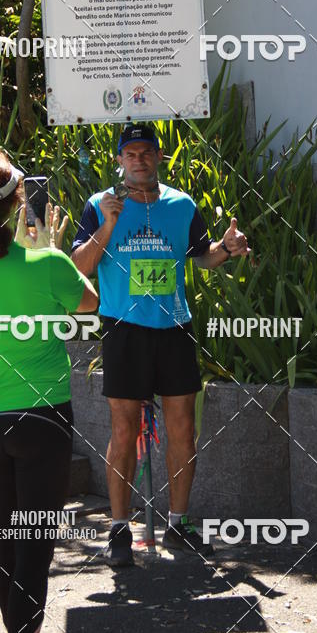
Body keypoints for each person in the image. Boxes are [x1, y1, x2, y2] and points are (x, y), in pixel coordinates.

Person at [70, 123, 249, 566]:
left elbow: (202, 256)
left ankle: (179, 522)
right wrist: (109, 225)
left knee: (183, 427)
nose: (138, 160)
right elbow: (79, 267)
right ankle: (117, 531)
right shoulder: (99, 205)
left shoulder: (181, 205)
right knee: (124, 431)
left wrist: (225, 248)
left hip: (173, 329)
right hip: (124, 329)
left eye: (145, 152)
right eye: (129, 153)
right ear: (118, 160)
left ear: (159, 157)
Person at [0, 148, 98, 633]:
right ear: (15, 205)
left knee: (8, 532)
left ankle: (18, 631)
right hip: (42, 416)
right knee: (34, 538)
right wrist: (46, 250)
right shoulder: (46, 262)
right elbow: (89, 306)